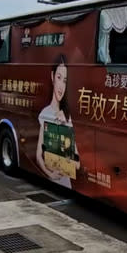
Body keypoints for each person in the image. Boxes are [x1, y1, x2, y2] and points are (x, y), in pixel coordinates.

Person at [36, 54, 80, 188]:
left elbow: (77, 164)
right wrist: (50, 175)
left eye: (65, 80)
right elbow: (39, 156)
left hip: (67, 183)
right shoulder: (45, 114)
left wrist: (65, 128)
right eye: (59, 78)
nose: (61, 86)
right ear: (52, 77)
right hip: (53, 181)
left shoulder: (67, 116)